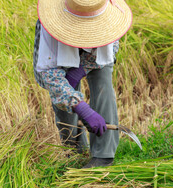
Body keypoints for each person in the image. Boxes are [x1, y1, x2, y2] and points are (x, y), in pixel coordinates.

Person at [33, 0, 132, 168]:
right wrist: (81, 107)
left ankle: (103, 156)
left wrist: (81, 69)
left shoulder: (109, 15)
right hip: (59, 47)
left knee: (103, 84)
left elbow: (110, 50)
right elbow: (50, 75)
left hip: (96, 53)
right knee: (63, 98)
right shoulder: (49, 26)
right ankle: (74, 150)